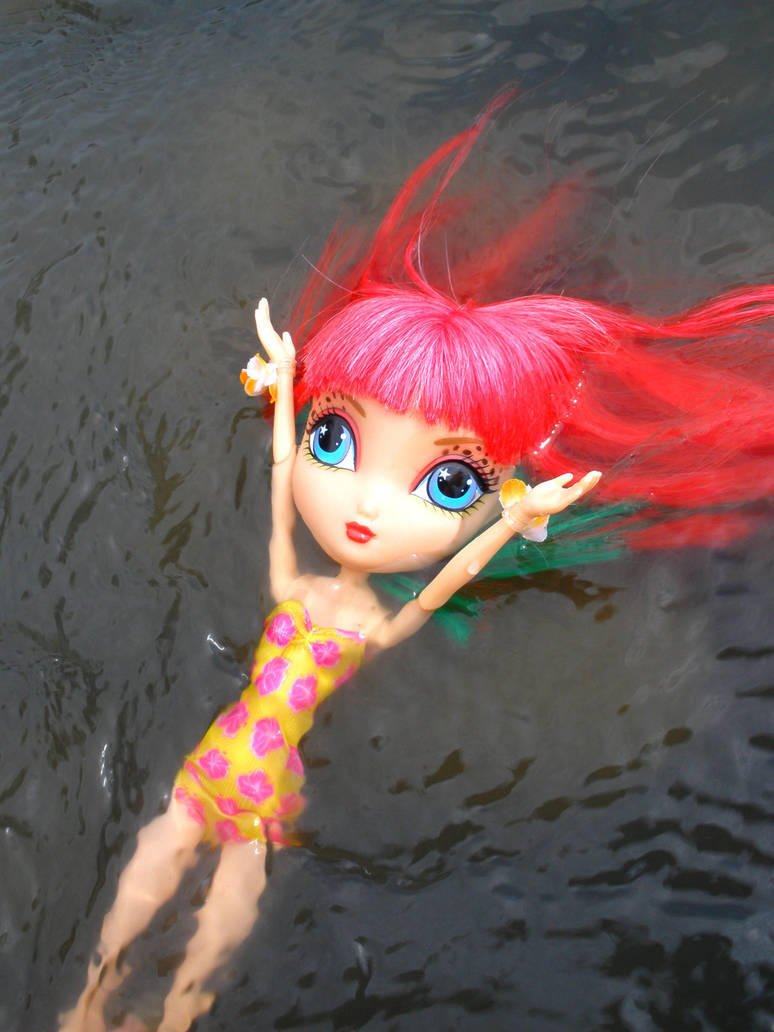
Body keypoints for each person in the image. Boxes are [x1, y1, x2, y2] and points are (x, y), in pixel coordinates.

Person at [59, 91, 774, 1031]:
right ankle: (91, 999)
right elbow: (280, 483)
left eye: (447, 482)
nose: (363, 507)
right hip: (220, 759)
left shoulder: (359, 619)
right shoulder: (302, 586)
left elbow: (447, 580)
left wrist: (515, 519)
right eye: (335, 438)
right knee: (157, 866)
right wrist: (286, 387)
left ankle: (174, 1016)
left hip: (261, 776)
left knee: (225, 904)